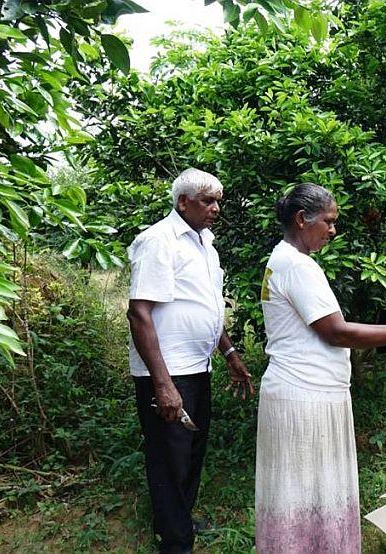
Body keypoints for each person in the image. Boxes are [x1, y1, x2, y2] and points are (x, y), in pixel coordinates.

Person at [255, 183, 386, 553]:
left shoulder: (284, 259)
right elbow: (336, 332)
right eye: (329, 221)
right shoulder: (297, 266)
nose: (333, 230)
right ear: (302, 219)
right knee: (307, 491)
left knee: (305, 490)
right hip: (306, 396)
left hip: (302, 393)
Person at [127, 168, 255, 554]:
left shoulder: (205, 243)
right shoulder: (158, 241)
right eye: (207, 201)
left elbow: (206, 307)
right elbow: (139, 314)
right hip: (168, 373)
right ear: (183, 202)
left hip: (198, 367)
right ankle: (175, 542)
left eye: (219, 201)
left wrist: (229, 352)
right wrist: (162, 384)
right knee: (170, 459)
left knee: (191, 452)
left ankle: (176, 521)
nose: (216, 208)